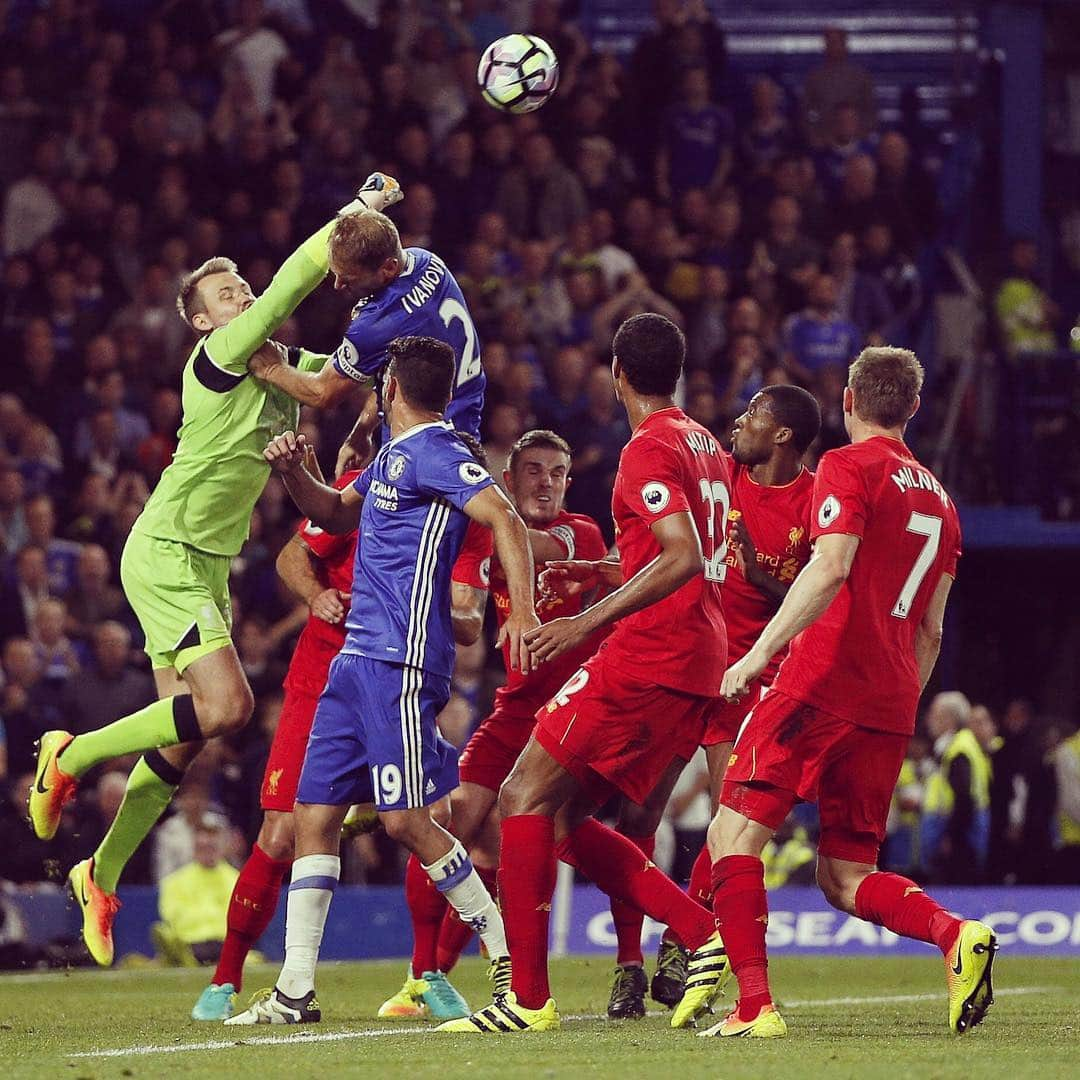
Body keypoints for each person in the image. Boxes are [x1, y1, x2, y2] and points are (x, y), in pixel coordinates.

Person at [26, 173, 404, 968]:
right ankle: (71, 754)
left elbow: (328, 385)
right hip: (164, 552)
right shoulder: (221, 353)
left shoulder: (270, 356)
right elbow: (296, 283)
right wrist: (358, 213)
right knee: (228, 707)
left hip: (206, 565)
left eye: (240, 287)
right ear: (203, 321)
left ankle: (102, 870)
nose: (241, 297)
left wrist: (380, 335)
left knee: (182, 743)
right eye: (226, 294)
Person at [227, 335, 538, 1026]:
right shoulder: (393, 458)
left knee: (405, 822)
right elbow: (335, 513)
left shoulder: (440, 449)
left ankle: (507, 965)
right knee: (314, 819)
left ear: (390, 388)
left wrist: (526, 614)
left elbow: (506, 520)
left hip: (401, 661)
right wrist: (294, 472)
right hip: (354, 662)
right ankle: (294, 992)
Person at [440, 313, 731, 1035]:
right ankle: (696, 931)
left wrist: (583, 622)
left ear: (618, 373)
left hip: (650, 652)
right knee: (560, 819)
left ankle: (531, 999)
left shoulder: (647, 449)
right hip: (699, 653)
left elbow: (680, 555)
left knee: (521, 794)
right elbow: (700, 551)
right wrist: (608, 573)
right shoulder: (707, 446)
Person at [702, 347, 996, 1040]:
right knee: (845, 874)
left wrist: (760, 653)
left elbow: (831, 567)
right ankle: (956, 936)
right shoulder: (944, 502)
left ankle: (754, 1009)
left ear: (847, 399)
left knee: (730, 833)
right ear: (914, 408)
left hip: (822, 680)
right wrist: (903, 706)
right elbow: (931, 630)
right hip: (891, 699)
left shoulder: (845, 466)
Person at [191, 437, 494, 1021]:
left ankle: (426, 973)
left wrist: (416, 601)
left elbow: (469, 625)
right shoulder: (371, 491)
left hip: (397, 678)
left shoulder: (465, 521)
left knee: (429, 820)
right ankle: (228, 976)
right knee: (282, 832)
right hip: (320, 679)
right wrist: (318, 593)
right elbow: (290, 558)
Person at [604, 384, 820, 1019]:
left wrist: (761, 578)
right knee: (640, 814)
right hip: (687, 661)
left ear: (781, 435)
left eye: (753, 413)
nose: (739, 418)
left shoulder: (814, 504)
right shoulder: (718, 473)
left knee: (730, 823)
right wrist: (601, 570)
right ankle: (628, 963)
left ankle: (681, 944)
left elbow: (822, 599)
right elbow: (664, 552)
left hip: (752, 678)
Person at [381, 430, 609, 1021]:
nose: (546, 483)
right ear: (509, 480)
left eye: (557, 473)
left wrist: (471, 519)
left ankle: (628, 958)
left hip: (568, 711)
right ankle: (425, 973)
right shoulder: (484, 533)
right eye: (533, 471)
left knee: (537, 836)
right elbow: (465, 614)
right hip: (513, 710)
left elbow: (540, 546)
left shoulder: (577, 533)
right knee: (455, 823)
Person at [247, 206, 487, 453]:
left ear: (388, 268)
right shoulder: (426, 260)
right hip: (459, 422)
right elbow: (393, 373)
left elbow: (323, 393)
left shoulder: (377, 324)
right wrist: (362, 431)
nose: (339, 285)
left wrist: (271, 368)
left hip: (430, 446)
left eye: (349, 278)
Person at [152, 812, 239, 967]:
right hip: (191, 942)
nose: (206, 850)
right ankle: (180, 955)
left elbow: (240, 919)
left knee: (243, 953)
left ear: (222, 846)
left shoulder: (237, 880)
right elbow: (172, 915)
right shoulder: (174, 882)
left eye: (211, 846)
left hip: (224, 943)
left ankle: (178, 958)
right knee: (167, 932)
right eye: (201, 847)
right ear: (194, 846)